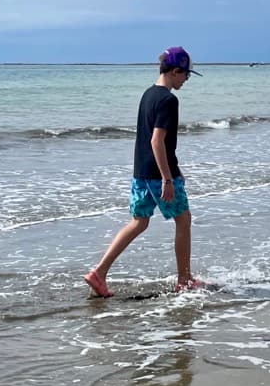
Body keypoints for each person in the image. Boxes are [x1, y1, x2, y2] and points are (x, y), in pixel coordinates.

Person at [84, 46, 203, 298]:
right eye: (186, 75)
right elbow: (156, 141)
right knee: (183, 220)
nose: (186, 80)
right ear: (175, 70)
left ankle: (99, 273)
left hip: (141, 170)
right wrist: (167, 179)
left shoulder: (148, 94)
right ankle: (184, 280)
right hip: (159, 173)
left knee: (139, 221)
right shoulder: (169, 100)